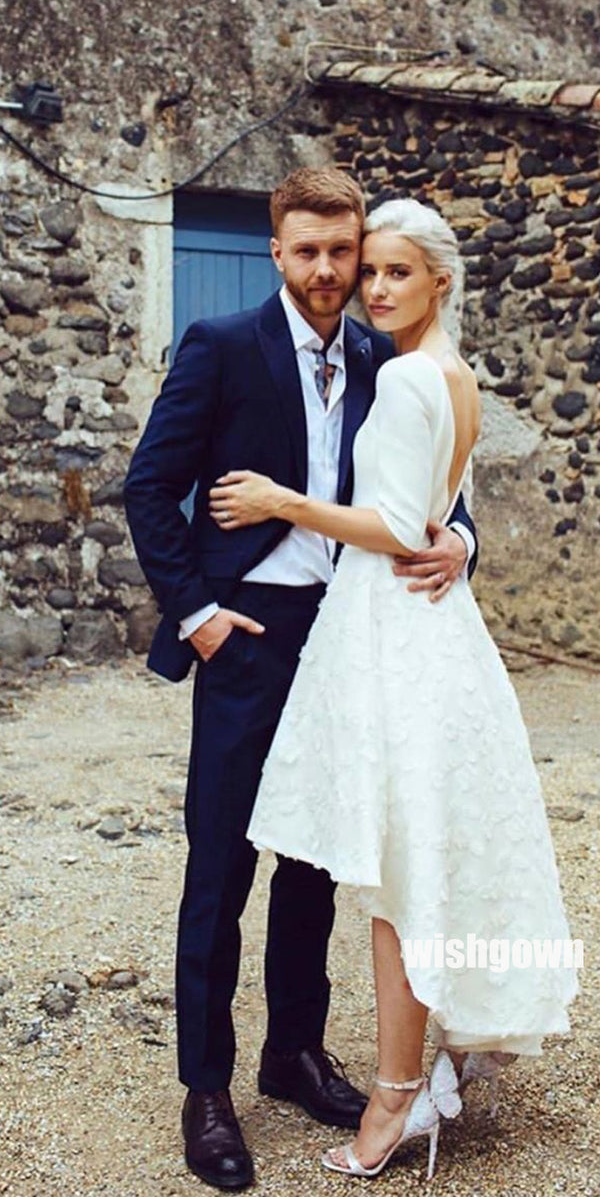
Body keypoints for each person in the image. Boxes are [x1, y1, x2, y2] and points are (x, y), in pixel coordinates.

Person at [208, 196, 578, 1181]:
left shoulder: (410, 374)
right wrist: (453, 538)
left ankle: (397, 1094)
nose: (372, 286)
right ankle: (428, 1065)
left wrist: (283, 502)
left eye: (394, 271)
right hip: (422, 627)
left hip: (396, 626)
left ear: (440, 280)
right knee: (414, 860)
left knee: (395, 875)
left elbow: (408, 525)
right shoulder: (449, 372)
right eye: (368, 268)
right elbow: (440, 511)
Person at [124, 169, 477, 1191]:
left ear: (360, 252)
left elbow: (434, 481)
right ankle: (207, 1088)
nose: (329, 270)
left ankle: (294, 1054)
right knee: (221, 861)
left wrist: (461, 542)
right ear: (276, 250)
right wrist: (197, 615)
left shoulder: (384, 355)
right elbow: (151, 485)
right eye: (308, 250)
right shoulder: (221, 346)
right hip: (245, 634)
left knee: (316, 861)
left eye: (342, 251)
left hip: (349, 632)